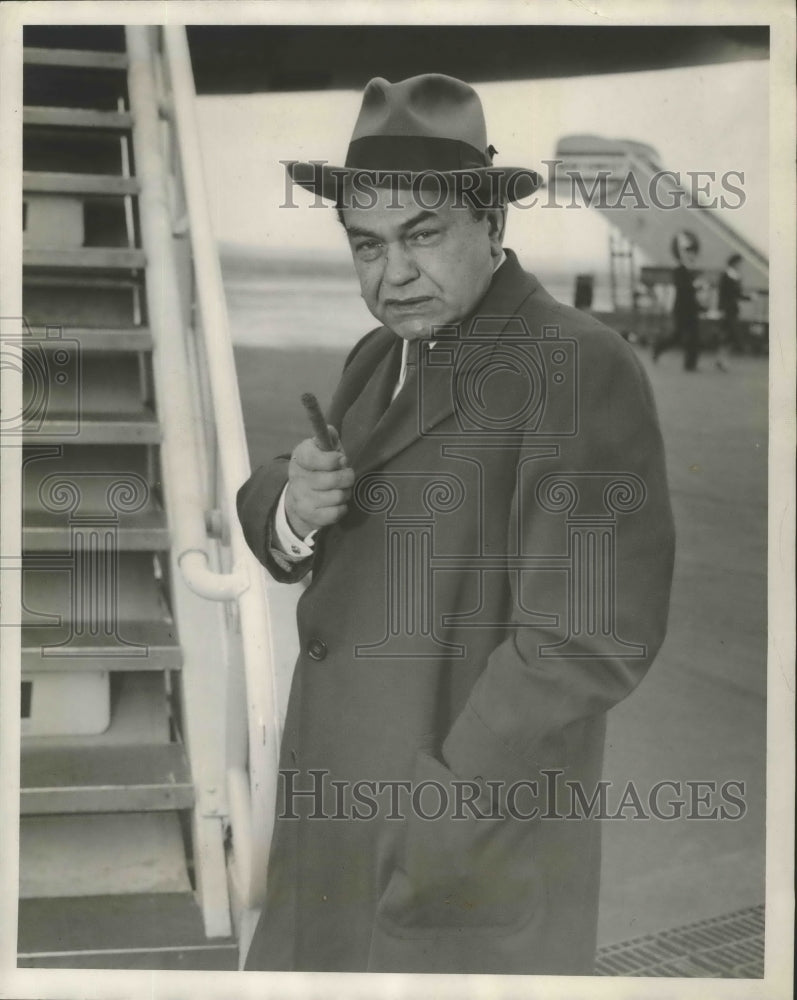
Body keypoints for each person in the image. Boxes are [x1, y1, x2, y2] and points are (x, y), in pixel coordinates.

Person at [237, 73, 675, 975]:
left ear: (493, 227)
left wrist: (436, 820)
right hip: (336, 831)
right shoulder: (380, 352)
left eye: (421, 236)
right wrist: (290, 501)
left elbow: (584, 639)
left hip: (457, 847)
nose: (391, 274)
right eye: (365, 246)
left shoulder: (574, 365)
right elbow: (322, 488)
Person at [716, 252, 748, 370]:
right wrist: (721, 309)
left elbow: (738, 294)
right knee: (730, 335)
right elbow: (722, 294)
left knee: (728, 336)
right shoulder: (726, 275)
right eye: (739, 263)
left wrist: (748, 297)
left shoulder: (736, 276)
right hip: (727, 310)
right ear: (734, 263)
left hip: (733, 310)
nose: (740, 265)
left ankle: (721, 359)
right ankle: (722, 360)